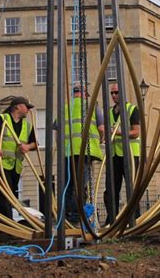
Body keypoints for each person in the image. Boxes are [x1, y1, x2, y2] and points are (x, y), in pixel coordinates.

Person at [0, 96, 36, 238]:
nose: (28, 110)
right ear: (17, 106)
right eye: (26, 107)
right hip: (2, 163)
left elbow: (34, 143)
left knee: (8, 196)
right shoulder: (2, 118)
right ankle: (9, 228)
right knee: (5, 195)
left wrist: (27, 146)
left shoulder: (27, 125)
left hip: (16, 166)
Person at [64, 83, 104, 224]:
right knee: (80, 184)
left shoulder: (66, 107)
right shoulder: (91, 106)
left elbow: (57, 130)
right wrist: (100, 140)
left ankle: (66, 216)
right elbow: (101, 128)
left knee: (68, 184)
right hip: (85, 151)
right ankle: (76, 217)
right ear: (85, 93)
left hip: (68, 151)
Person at [103, 83, 141, 225]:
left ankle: (135, 219)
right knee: (111, 189)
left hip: (130, 155)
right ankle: (112, 220)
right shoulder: (109, 111)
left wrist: (118, 133)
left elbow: (136, 132)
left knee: (132, 188)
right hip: (114, 156)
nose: (113, 96)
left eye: (116, 92)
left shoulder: (132, 109)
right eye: (112, 93)